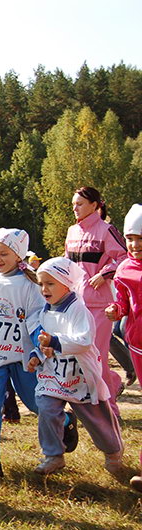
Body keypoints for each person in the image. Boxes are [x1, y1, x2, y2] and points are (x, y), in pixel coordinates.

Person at [0, 229, 76, 477]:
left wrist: (38, 349)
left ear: (18, 255)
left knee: (36, 403)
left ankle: (65, 421)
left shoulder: (31, 284)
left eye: (4, 254)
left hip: (24, 355)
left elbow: (36, 319)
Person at [28, 257, 123, 476]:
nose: (44, 289)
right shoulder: (45, 311)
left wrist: (55, 342)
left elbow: (84, 341)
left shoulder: (78, 309)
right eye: (41, 284)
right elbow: (43, 340)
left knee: (97, 419)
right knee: (46, 407)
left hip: (80, 376)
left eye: (50, 284)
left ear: (66, 283)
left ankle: (112, 452)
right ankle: (53, 454)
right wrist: (37, 355)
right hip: (54, 374)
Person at [66, 186, 126, 417]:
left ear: (94, 205)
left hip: (100, 304)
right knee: (80, 354)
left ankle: (111, 411)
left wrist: (105, 273)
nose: (75, 208)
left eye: (79, 204)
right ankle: (113, 382)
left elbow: (124, 257)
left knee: (97, 354)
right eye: (73, 204)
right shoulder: (72, 231)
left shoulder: (106, 230)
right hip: (76, 302)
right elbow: (67, 263)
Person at [106, 203, 142, 491]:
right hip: (138, 345)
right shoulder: (125, 269)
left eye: (140, 239)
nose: (134, 245)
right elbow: (122, 304)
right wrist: (114, 311)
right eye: (130, 239)